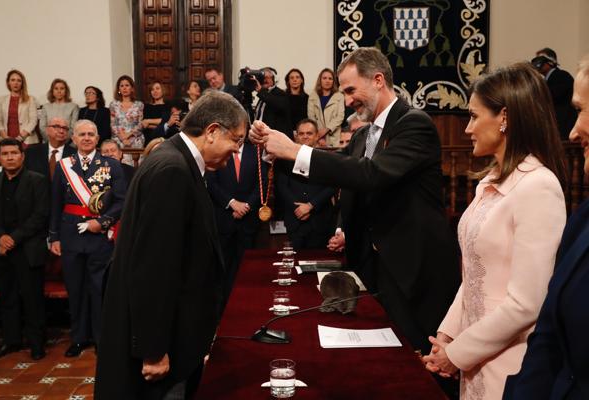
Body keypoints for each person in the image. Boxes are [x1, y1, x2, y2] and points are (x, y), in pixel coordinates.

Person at [250, 47, 460, 354]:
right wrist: (278, 151)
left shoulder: (415, 124)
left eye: (350, 90)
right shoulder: (363, 137)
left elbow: (371, 174)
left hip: (412, 271)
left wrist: (295, 150)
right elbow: (337, 172)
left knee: (415, 360)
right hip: (372, 268)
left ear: (377, 80)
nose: (347, 101)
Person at [420, 63, 568, 400]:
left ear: (505, 118)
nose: (468, 128)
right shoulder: (489, 182)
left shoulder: (539, 186)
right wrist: (447, 336)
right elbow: (473, 275)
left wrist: (458, 352)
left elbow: (527, 303)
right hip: (475, 354)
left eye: (474, 116)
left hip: (508, 360)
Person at [95, 91, 248, 399]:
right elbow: (154, 267)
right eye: (236, 140)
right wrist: (153, 350)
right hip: (164, 345)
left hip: (179, 332)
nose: (236, 151)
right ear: (212, 131)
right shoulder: (173, 170)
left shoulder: (178, 161)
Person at [502, 56, 589, 400]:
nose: (573, 130)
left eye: (582, 110)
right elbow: (549, 337)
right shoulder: (582, 219)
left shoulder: (540, 185)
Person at [49, 120, 126, 358]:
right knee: (76, 289)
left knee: (98, 289)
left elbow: (122, 201)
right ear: (73, 138)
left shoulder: (111, 165)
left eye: (91, 134)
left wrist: (101, 222)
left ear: (97, 137)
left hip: (98, 236)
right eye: (81, 134)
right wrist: (54, 237)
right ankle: (79, 338)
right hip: (70, 235)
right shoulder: (64, 166)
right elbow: (55, 204)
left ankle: (101, 338)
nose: (86, 138)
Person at [0, 139, 49, 361]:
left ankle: (36, 344)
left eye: (14, 152)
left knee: (32, 299)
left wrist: (12, 238)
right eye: (5, 153)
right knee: (8, 298)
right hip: (0, 251)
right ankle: (11, 341)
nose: (10, 157)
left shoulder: (38, 181)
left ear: (22, 156)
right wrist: (0, 238)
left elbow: (40, 215)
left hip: (28, 249)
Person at [205, 130, 263, 304]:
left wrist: (246, 206)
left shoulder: (257, 152)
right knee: (224, 269)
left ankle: (246, 306)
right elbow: (211, 183)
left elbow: (262, 183)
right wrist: (232, 203)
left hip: (248, 220)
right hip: (224, 219)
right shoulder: (218, 149)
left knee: (248, 269)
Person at [276, 118, 336, 249]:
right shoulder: (284, 159)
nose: (305, 137)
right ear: (296, 136)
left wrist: (310, 205)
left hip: (320, 219)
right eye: (301, 133)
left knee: (321, 264)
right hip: (294, 219)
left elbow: (333, 186)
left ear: (316, 136)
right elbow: (281, 187)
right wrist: (298, 208)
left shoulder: (328, 158)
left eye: (309, 133)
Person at [532, 48, 577, 140]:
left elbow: (550, 97)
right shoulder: (544, 81)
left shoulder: (562, 76)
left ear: (551, 62)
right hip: (552, 129)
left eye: (540, 60)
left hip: (563, 129)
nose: (537, 65)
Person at [0, 69, 39, 145]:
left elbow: (33, 121)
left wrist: (19, 138)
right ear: (8, 83)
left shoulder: (30, 99)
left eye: (19, 81)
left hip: (26, 140)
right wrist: (5, 138)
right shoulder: (1, 100)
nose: (16, 83)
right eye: (13, 80)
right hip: (5, 139)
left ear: (22, 83)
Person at [25, 117, 75, 182]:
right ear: (47, 130)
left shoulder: (75, 154)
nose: (61, 131)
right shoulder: (31, 152)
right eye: (56, 127)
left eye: (65, 128)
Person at [110, 75, 144, 165]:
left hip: (135, 139)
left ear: (132, 88)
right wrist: (123, 138)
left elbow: (140, 124)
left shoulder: (139, 104)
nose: (124, 88)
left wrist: (128, 136)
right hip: (118, 140)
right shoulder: (114, 105)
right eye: (122, 86)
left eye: (127, 85)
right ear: (118, 89)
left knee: (135, 169)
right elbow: (113, 124)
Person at [307, 68, 345, 147]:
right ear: (320, 80)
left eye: (330, 78)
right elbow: (311, 117)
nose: (327, 81)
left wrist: (327, 129)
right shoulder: (313, 96)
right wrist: (319, 136)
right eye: (324, 78)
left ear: (333, 81)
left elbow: (340, 117)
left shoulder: (339, 96)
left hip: (334, 136)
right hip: (317, 137)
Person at [254, 67, 292, 137]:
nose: (265, 80)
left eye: (268, 77)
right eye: (263, 78)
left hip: (276, 139)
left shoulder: (280, 93)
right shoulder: (263, 95)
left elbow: (278, 104)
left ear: (274, 79)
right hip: (261, 137)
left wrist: (261, 92)